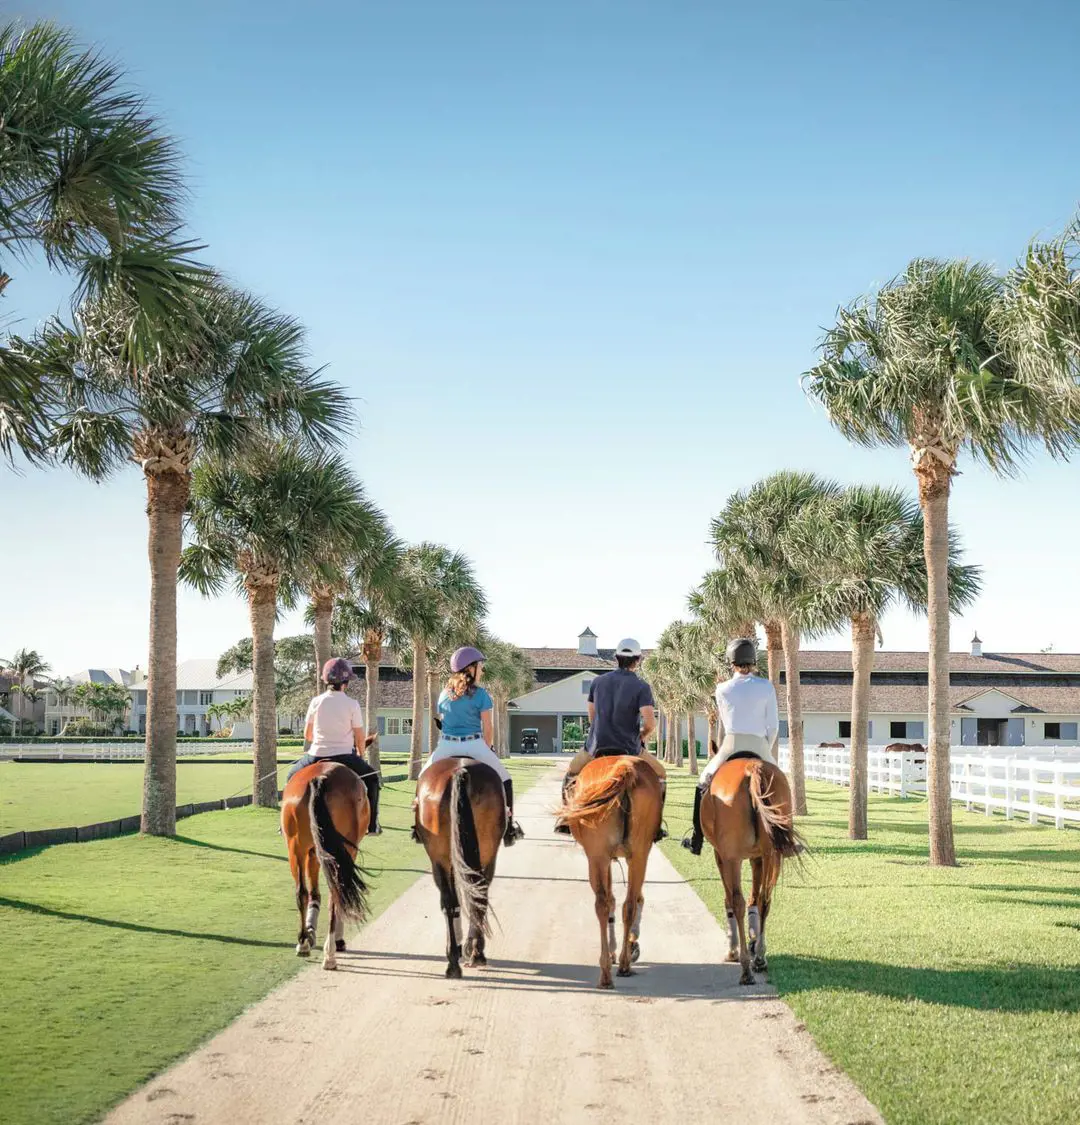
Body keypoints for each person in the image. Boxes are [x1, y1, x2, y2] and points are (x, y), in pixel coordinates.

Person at [554, 638, 667, 841]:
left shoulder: (597, 682)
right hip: (629, 748)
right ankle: (656, 824)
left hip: (597, 746)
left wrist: (601, 730)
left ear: (616, 658)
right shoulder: (642, 686)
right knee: (661, 773)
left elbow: (591, 717)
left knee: (572, 772)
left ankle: (566, 818)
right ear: (638, 659)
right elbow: (650, 723)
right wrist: (641, 736)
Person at [418, 646, 524, 847]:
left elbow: (443, 720)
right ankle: (509, 828)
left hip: (447, 745)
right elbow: (488, 727)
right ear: (470, 668)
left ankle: (417, 825)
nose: (481, 671)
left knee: (423, 777)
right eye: (480, 667)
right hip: (475, 744)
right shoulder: (481, 694)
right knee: (506, 779)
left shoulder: (444, 694)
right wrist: (488, 748)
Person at [682, 637, 777, 855]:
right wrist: (765, 749)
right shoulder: (766, 687)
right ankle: (786, 836)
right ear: (753, 661)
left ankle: (697, 840)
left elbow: (726, 723)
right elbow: (772, 727)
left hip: (732, 745)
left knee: (702, 783)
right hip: (760, 746)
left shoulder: (722, 689)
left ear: (731, 662)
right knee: (782, 784)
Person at [286, 657, 381, 834]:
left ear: (326, 680)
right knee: (373, 779)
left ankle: (285, 824)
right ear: (346, 682)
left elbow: (307, 734)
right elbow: (360, 736)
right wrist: (360, 754)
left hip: (316, 754)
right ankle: (372, 825)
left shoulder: (316, 702)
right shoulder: (352, 704)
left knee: (291, 776)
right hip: (344, 755)